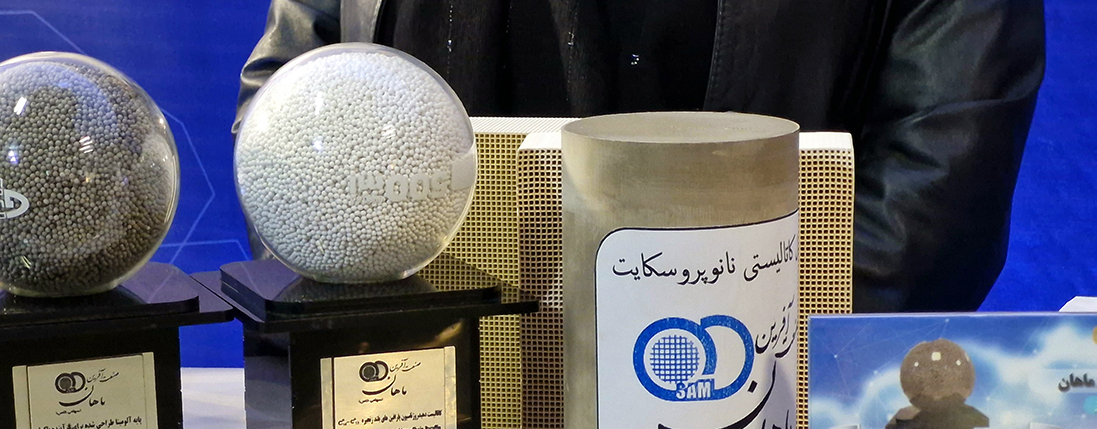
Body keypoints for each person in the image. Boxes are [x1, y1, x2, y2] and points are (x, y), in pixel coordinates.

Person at [235, 0, 1046, 314]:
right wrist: (352, 325)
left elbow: (940, 184)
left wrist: (733, 376)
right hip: (427, 419)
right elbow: (295, 99)